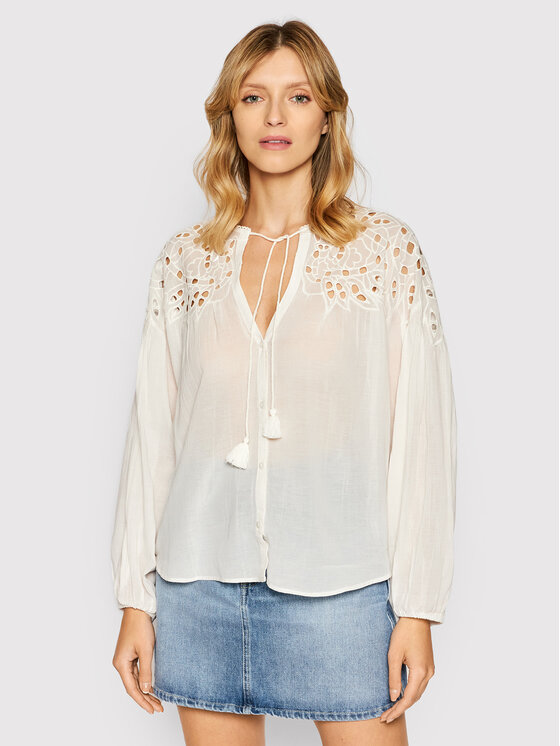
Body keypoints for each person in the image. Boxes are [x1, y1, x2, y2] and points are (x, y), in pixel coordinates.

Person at [110, 20, 457, 746]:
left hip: (343, 592)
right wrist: (134, 601)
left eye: (298, 97)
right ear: (229, 116)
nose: (275, 116)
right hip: (199, 589)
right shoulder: (184, 263)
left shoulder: (383, 253)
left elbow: (421, 435)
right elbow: (153, 441)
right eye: (253, 97)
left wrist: (418, 607)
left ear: (326, 115)